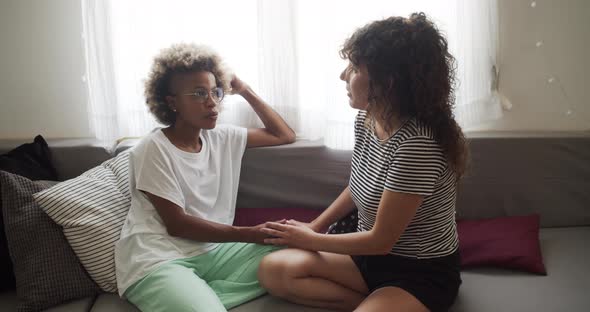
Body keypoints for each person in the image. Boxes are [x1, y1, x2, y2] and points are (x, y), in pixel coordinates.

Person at [258, 13, 469, 312]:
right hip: (366, 255)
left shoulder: (418, 144)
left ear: (388, 82)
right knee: (273, 270)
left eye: (354, 67)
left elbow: (382, 240)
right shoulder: (368, 119)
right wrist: (315, 227)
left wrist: (310, 240)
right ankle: (373, 303)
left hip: (418, 272)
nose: (343, 76)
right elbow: (357, 187)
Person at [114, 43, 295, 312]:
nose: (212, 103)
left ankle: (199, 295)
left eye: (215, 92)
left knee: (296, 253)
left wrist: (244, 90)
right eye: (199, 94)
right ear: (172, 102)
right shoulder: (152, 149)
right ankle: (195, 298)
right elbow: (178, 225)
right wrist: (249, 234)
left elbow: (284, 134)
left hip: (213, 252)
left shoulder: (221, 137)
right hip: (159, 259)